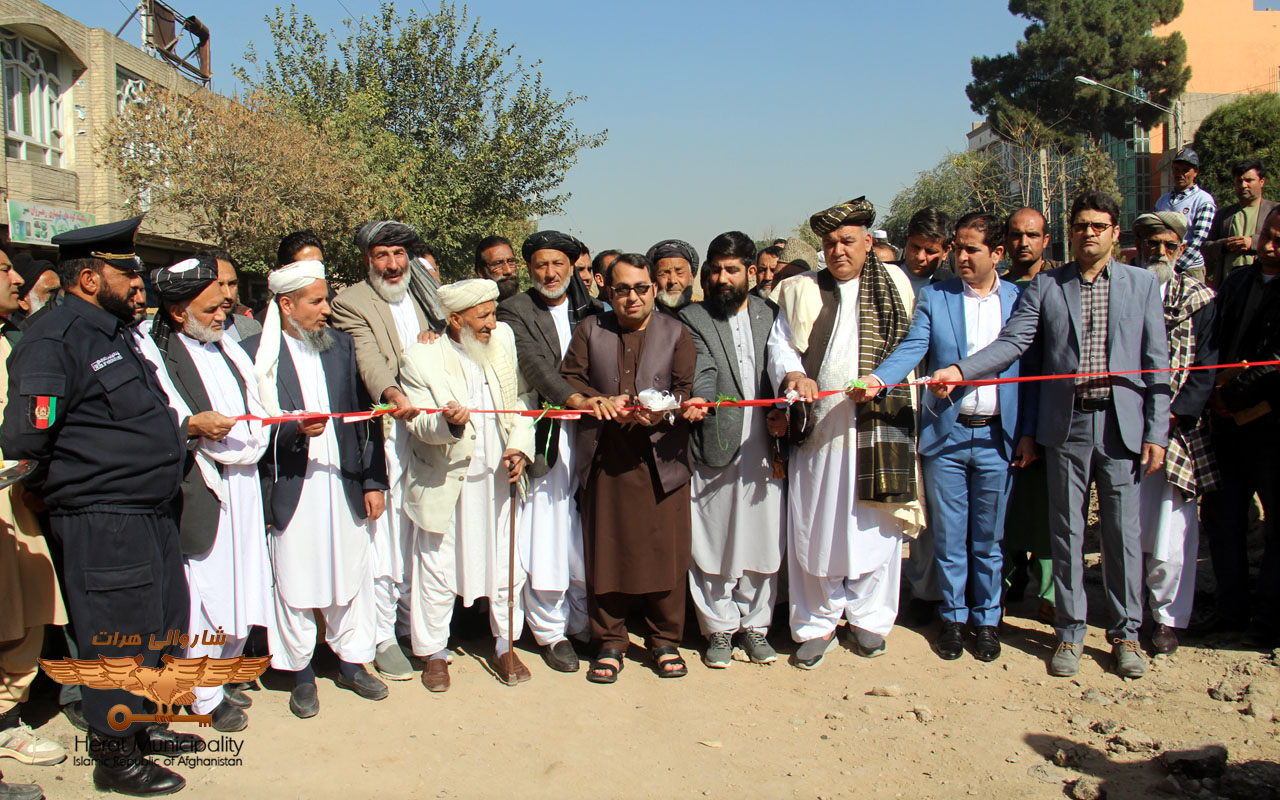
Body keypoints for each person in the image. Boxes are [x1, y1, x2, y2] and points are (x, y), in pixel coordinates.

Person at [930, 191, 1170, 679]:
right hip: (1067, 426)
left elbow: (1157, 362)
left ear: (1114, 233)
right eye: (1081, 225)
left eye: (1098, 225)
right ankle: (1070, 631)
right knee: (1066, 533)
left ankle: (1125, 634)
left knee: (1123, 536)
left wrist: (1157, 430)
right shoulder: (1047, 287)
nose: (1089, 233)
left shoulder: (1142, 285)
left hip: (1123, 426)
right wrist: (961, 370)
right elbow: (1014, 343)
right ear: (1070, 230)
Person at [1, 217, 194, 795]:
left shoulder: (112, 332)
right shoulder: (54, 338)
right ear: (88, 278)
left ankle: (142, 727)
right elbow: (27, 437)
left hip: (149, 512)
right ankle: (115, 758)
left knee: (160, 627)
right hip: (103, 517)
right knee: (117, 638)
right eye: (125, 270)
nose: (136, 280)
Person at [859, 212, 1030, 663]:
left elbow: (1028, 368)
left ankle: (987, 620)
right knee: (950, 537)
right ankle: (953, 618)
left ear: (997, 253)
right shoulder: (937, 296)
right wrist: (879, 379)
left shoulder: (1019, 301)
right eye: (958, 247)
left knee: (989, 539)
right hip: (947, 440)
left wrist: (1027, 433)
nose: (962, 256)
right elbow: (915, 347)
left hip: (998, 437)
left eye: (973, 249)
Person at [767, 197, 923, 669]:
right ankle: (816, 623)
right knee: (817, 526)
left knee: (877, 524)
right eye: (830, 242)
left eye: (848, 241)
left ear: (868, 243)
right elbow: (781, 347)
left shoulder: (897, 283)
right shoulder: (800, 288)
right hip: (821, 432)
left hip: (881, 428)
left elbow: (917, 343)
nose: (838, 250)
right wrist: (794, 377)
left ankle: (870, 620)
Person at [244, 259, 390, 719]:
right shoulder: (256, 353)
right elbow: (250, 429)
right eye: (318, 301)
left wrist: (373, 480)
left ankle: (352, 661)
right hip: (293, 487)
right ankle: (301, 673)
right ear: (286, 306)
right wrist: (291, 432)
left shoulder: (340, 347)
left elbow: (363, 423)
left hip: (344, 484)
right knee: (295, 581)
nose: (327, 309)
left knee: (351, 575)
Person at [560, 253, 703, 683]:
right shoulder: (590, 329)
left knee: (666, 550)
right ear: (608, 290)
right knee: (608, 550)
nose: (632, 298)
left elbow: (685, 391)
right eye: (622, 289)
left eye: (641, 288)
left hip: (662, 460)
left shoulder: (676, 332)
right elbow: (569, 379)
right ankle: (611, 640)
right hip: (607, 459)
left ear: (653, 290)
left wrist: (662, 413)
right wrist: (594, 402)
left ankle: (664, 640)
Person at [149, 255, 272, 732]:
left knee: (241, 585)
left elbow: (257, 404)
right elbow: (166, 417)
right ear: (179, 312)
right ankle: (202, 694)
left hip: (243, 483)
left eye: (225, 306)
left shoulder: (227, 347)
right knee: (207, 592)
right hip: (203, 483)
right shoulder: (157, 352)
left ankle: (224, 673)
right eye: (211, 309)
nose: (224, 317)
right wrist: (193, 427)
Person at [398, 279, 536, 689]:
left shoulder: (503, 341)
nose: (493, 323)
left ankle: (505, 644)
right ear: (455, 320)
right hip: (448, 479)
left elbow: (522, 400)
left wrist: (519, 447)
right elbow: (418, 423)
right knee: (437, 566)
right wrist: (446, 423)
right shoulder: (421, 356)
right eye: (484, 316)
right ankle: (433, 653)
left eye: (493, 313)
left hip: (498, 476)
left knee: (505, 564)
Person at [329, 220, 438, 683]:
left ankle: (419, 627)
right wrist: (394, 394)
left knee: (424, 532)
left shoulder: (427, 292)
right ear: (367, 260)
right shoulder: (351, 302)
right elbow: (367, 357)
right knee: (387, 538)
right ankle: (383, 634)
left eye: (399, 254)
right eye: (382, 256)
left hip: (433, 432)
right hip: (389, 434)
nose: (393, 265)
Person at [495, 231, 604, 672]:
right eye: (540, 265)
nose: (549, 273)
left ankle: (584, 621)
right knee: (549, 531)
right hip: (548, 433)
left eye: (558, 263)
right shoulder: (515, 310)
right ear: (529, 268)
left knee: (586, 530)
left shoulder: (592, 311)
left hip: (594, 432)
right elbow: (533, 364)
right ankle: (550, 629)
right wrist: (573, 398)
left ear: (571, 265)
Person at [679, 232, 784, 668]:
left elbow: (785, 365)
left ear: (752, 273)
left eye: (732, 269)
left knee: (763, 537)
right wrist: (701, 400)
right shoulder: (693, 317)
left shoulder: (772, 313)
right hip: (715, 440)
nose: (722, 278)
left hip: (765, 443)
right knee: (713, 537)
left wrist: (784, 410)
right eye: (716, 270)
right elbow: (702, 367)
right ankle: (718, 628)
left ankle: (756, 625)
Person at [1130, 212, 1217, 656]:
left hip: (1177, 434)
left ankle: (1166, 619)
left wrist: (1167, 421)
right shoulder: (1125, 289)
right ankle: (1131, 613)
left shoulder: (1200, 299)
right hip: (1125, 428)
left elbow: (1205, 371)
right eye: (1150, 243)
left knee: (1170, 532)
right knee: (1129, 527)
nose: (1158, 252)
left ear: (1181, 249)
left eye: (1167, 245)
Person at [0, 252, 66, 798]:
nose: (15, 279)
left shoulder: (11, 342)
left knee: (31, 608)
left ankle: (9, 714)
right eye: (3, 270)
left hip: (17, 501)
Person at [1199, 205, 1280, 648]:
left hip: (1272, 429)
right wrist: (1211, 393)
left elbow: (1274, 363)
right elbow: (1212, 342)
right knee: (1222, 518)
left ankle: (1268, 619)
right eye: (1266, 234)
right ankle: (1229, 609)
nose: (1267, 246)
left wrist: (1231, 396)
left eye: (1279, 241)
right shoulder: (1236, 282)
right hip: (1227, 428)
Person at [1001, 207, 1060, 622]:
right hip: (1003, 411)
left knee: (1047, 507)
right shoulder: (997, 290)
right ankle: (1002, 587)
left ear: (1046, 240)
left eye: (1032, 235)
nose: (1025, 242)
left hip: (1049, 410)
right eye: (1017, 235)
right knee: (1005, 506)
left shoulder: (1059, 287)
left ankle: (1050, 595)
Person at [1204, 158, 1276, 287]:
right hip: (1229, 287)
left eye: (1249, 180)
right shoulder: (1224, 214)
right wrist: (1224, 245)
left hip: (1265, 286)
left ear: (1262, 182)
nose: (1243, 185)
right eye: (1239, 181)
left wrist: (1252, 242)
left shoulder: (1275, 212)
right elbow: (1206, 248)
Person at [1156, 148, 1216, 280]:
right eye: (1176, 169)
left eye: (1185, 170)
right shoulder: (1163, 201)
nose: (1180, 174)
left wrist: (1177, 266)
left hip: (1190, 269)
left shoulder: (1203, 200)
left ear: (1196, 173)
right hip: (1163, 265)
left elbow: (1199, 239)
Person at [196, 248, 262, 344]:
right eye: (219, 284)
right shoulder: (186, 335)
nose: (228, 295)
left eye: (232, 284)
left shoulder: (253, 327)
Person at [902, 207, 955, 296]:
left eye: (930, 251)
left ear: (945, 252)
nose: (920, 257)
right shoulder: (881, 275)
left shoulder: (953, 289)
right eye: (916, 247)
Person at [647, 239, 700, 315]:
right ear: (654, 280)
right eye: (664, 273)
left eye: (680, 272)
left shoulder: (704, 318)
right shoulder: (644, 320)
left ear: (691, 278)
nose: (672, 281)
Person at [10, 253, 59, 325]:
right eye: (51, 292)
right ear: (23, 302)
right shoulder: (16, 334)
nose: (59, 296)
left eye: (61, 291)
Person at [475, 235, 522, 302]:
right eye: (498, 264)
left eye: (511, 261)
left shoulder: (529, 306)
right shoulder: (476, 311)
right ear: (481, 272)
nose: (508, 271)